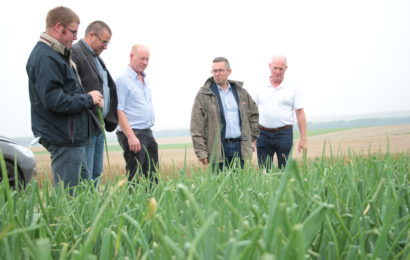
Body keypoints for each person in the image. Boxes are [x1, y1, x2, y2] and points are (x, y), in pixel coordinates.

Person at [26, 6, 104, 188]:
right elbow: (54, 100)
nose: (76, 37)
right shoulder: (45, 57)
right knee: (68, 198)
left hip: (71, 138)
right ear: (58, 27)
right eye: (73, 32)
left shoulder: (56, 54)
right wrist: (88, 99)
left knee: (85, 193)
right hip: (63, 137)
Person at [190, 57, 259, 171]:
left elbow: (254, 115)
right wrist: (201, 152)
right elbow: (196, 125)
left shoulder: (241, 92)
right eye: (214, 71)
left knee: (239, 186)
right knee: (219, 187)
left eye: (220, 70)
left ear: (229, 71)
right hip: (217, 149)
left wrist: (252, 138)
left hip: (239, 147)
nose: (217, 74)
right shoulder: (204, 94)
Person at [71, 21, 118, 181]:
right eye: (104, 42)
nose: (105, 46)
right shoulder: (75, 52)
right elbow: (73, 88)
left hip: (98, 125)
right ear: (91, 35)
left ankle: (95, 205)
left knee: (97, 172)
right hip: (86, 126)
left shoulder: (96, 58)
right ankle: (86, 205)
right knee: (86, 175)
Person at [253, 55, 307, 170]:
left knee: (285, 170)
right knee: (264, 171)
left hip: (284, 134)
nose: (277, 71)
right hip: (262, 134)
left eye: (281, 69)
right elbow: (252, 113)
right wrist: (252, 136)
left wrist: (303, 138)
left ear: (286, 69)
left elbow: (300, 113)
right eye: (275, 68)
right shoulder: (259, 87)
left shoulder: (293, 88)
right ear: (269, 66)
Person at [116, 44, 158, 183]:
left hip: (147, 132)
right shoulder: (123, 80)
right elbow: (119, 110)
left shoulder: (144, 79)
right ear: (131, 56)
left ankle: (152, 203)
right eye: (141, 58)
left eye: (147, 59)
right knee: (135, 177)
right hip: (133, 133)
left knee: (153, 175)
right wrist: (131, 136)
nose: (145, 62)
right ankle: (134, 204)